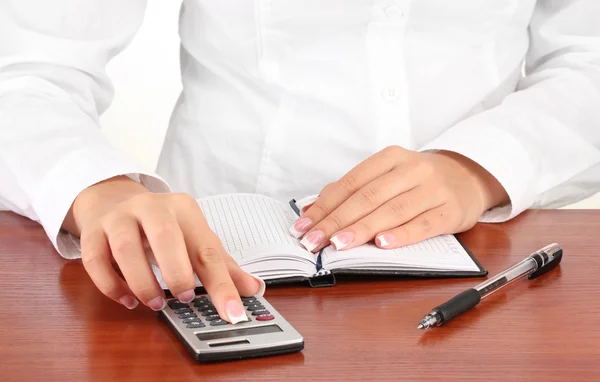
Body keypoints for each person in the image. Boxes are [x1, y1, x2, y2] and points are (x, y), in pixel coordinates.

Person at [1, 1, 599, 324]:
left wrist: (480, 166)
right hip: (220, 267)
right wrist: (92, 188)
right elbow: (28, 71)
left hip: (492, 262)